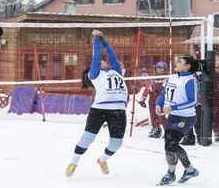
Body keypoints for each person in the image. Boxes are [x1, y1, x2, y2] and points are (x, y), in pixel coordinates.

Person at [65, 30, 128, 177]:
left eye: (104, 61)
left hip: (118, 110)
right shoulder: (94, 74)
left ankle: (102, 160)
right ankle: (73, 163)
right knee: (88, 138)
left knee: (116, 143)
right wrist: (96, 40)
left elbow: (112, 56)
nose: (104, 61)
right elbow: (97, 56)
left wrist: (104, 41)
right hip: (99, 109)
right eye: (100, 61)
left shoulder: (116, 71)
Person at [156, 54, 200, 185]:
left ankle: (172, 173)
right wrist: (158, 104)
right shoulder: (172, 77)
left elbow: (193, 101)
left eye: (180, 61)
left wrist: (173, 107)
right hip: (173, 116)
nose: (177, 62)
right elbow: (164, 93)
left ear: (187, 66)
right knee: (168, 145)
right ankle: (188, 170)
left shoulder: (191, 80)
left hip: (186, 117)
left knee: (171, 144)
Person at [138, 61, 167, 138]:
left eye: (161, 68)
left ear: (165, 69)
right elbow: (147, 88)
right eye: (158, 68)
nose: (159, 70)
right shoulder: (153, 78)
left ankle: (167, 130)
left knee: (161, 115)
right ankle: (156, 129)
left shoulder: (167, 78)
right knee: (153, 114)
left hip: (161, 98)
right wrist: (143, 99)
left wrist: (157, 87)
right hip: (152, 98)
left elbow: (166, 88)